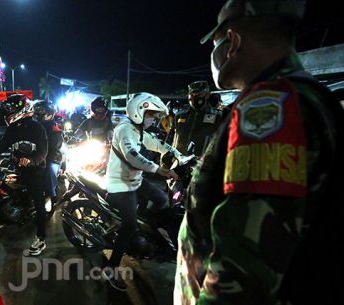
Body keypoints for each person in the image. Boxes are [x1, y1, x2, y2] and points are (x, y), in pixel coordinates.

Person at [174, 1, 344, 305]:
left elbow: (244, 265)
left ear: (233, 42)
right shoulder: (305, 96)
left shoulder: (270, 106)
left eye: (217, 41)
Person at [102, 92, 181, 291]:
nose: (154, 119)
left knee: (162, 198)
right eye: (152, 115)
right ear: (139, 111)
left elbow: (156, 144)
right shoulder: (124, 130)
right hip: (120, 185)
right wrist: (160, 170)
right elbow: (132, 156)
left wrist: (179, 154)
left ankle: (150, 233)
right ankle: (111, 269)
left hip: (135, 181)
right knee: (129, 227)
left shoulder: (138, 131)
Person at [0, 94, 49, 256]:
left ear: (23, 108)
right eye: (9, 109)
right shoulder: (13, 128)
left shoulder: (37, 128)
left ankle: (41, 238)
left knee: (40, 205)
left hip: (35, 170)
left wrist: (31, 160)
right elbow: (0, 146)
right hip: (17, 167)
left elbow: (43, 152)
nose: (9, 112)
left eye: (12, 109)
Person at [169, 81, 223, 156]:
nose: (194, 98)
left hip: (201, 164)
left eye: (197, 94)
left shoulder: (218, 116)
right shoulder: (180, 115)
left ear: (207, 95)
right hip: (177, 162)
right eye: (191, 95)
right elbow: (170, 138)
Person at [33, 100, 64, 209]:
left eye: (41, 110)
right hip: (38, 156)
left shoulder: (54, 128)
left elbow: (52, 146)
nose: (38, 113)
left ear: (50, 112)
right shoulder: (35, 126)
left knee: (50, 171)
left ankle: (52, 196)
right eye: (37, 110)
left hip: (52, 157)